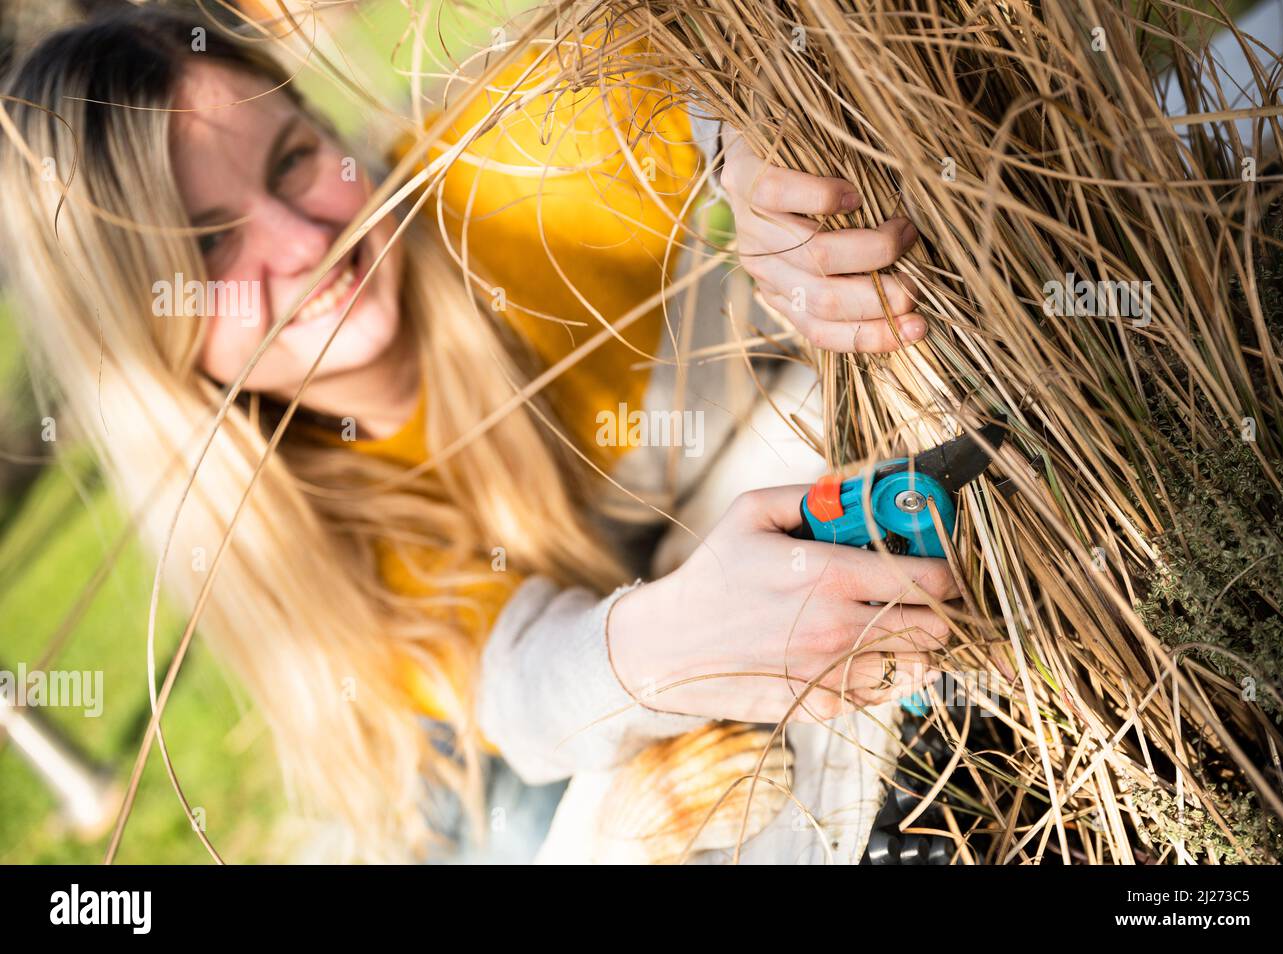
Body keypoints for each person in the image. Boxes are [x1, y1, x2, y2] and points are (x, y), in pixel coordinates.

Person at [0, 5, 954, 862]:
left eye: (293, 158)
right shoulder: (282, 513)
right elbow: (530, 691)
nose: (300, 242)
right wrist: (672, 640)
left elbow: (698, 46)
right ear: (148, 338)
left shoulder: (501, 169)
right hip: (483, 740)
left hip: (670, 527)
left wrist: (750, 163)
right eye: (209, 244)